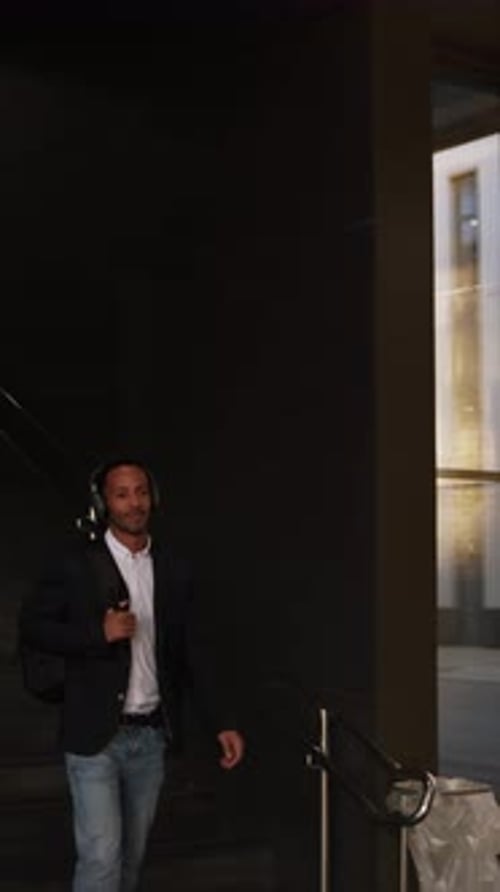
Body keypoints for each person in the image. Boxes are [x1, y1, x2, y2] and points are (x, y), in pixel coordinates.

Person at [18, 457, 245, 892]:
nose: (133, 503)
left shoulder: (175, 568)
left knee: (130, 861)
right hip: (94, 736)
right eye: (122, 494)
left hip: (150, 738)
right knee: (102, 857)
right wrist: (95, 632)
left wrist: (222, 722)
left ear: (153, 498)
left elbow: (193, 651)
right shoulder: (76, 564)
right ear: (105, 503)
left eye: (140, 492)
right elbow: (33, 627)